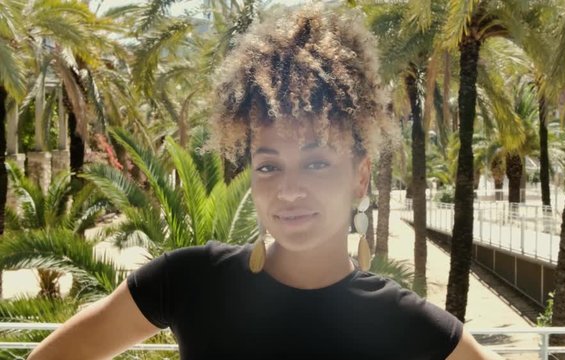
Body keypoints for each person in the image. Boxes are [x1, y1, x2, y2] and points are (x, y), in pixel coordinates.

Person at [28, 5, 501, 360]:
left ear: (360, 177)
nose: (288, 189)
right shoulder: (189, 281)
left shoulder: (410, 325)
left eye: (316, 164)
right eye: (269, 166)